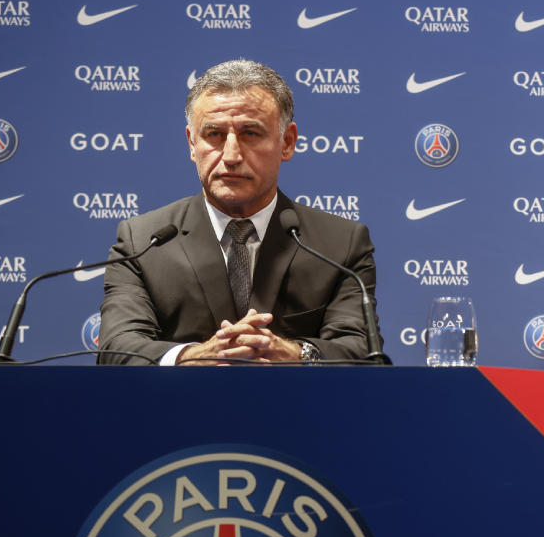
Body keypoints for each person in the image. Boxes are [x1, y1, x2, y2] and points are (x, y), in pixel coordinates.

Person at [98, 59, 380, 365]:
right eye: (214, 134)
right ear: (192, 144)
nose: (231, 156)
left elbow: (362, 351)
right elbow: (117, 349)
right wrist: (192, 357)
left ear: (287, 142)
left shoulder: (341, 244)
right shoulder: (143, 242)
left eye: (250, 133)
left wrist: (296, 354)